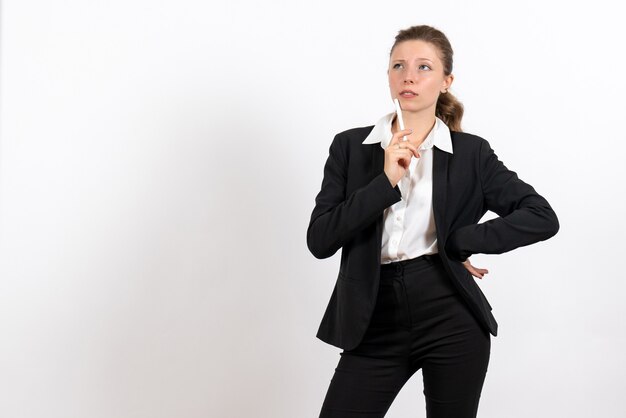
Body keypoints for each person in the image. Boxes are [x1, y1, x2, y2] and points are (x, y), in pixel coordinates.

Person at [306, 24, 559, 418]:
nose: (408, 75)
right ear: (388, 75)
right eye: (398, 65)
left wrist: (460, 241)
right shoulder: (351, 147)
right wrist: (386, 180)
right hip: (372, 317)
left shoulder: (471, 154)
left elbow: (541, 216)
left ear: (446, 80)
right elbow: (320, 240)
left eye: (424, 67)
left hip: (450, 314)